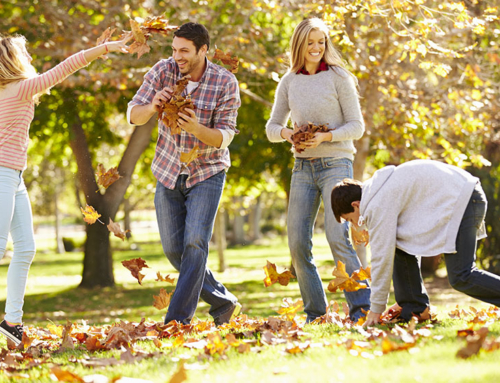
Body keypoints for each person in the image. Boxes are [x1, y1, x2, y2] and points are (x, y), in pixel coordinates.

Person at [0, 33, 131, 345]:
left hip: (14, 178)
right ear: (13, 60)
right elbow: (65, 67)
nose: (30, 59)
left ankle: (12, 322)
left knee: (26, 248)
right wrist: (104, 49)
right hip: (3, 174)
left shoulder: (10, 91)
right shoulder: (21, 89)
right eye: (25, 54)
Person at [127, 22, 241, 326]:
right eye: (174, 49)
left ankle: (176, 321)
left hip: (207, 171)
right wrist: (152, 106)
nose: (177, 56)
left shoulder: (224, 82)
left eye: (184, 51)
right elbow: (133, 115)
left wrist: (195, 128)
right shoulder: (162, 71)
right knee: (174, 249)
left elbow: (224, 137)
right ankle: (223, 302)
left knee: (195, 243)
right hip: (168, 170)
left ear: (203, 50)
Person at [265, 18, 370, 323]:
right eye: (310, 42)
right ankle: (315, 313)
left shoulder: (339, 78)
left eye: (321, 42)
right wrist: (289, 135)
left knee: (338, 238)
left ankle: (361, 309)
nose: (316, 48)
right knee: (297, 242)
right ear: (299, 45)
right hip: (302, 167)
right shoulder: (289, 81)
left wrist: (325, 136)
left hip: (336, 164)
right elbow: (272, 127)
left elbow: (357, 127)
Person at [331, 159, 500, 326]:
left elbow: (381, 258)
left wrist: (376, 309)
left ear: (356, 205)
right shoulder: (378, 190)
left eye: (350, 219)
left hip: (464, 200)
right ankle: (414, 308)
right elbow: (397, 245)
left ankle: (413, 305)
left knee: (462, 275)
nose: (355, 224)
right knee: (398, 246)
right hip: (464, 195)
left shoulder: (377, 204)